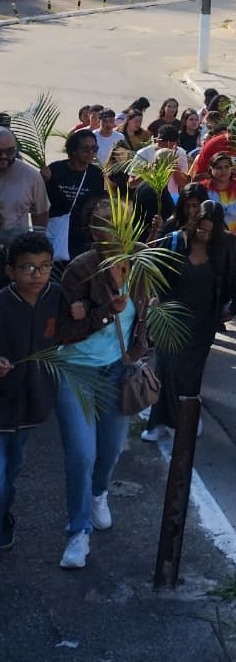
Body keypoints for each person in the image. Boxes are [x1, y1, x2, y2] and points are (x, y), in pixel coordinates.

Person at [56, 198, 151, 569]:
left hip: (117, 370)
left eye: (118, 222)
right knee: (82, 454)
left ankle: (98, 494)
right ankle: (78, 532)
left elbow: (146, 312)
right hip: (76, 371)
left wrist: (139, 349)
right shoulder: (80, 269)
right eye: (101, 225)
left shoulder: (141, 261)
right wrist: (103, 313)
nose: (110, 231)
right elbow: (66, 331)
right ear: (92, 233)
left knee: (110, 451)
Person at [141, 201, 236, 442]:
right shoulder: (176, 242)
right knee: (165, 369)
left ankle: (187, 418)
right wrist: (154, 299)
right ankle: (158, 422)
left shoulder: (225, 249)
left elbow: (235, 282)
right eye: (200, 228)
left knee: (190, 374)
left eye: (209, 231)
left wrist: (231, 309)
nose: (203, 234)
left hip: (203, 323)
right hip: (170, 319)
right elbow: (154, 268)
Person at [0, 233, 74, 550]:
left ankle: (4, 515)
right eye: (27, 267)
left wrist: (106, 310)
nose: (36, 274)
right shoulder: (2, 302)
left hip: (33, 402)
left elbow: (74, 330)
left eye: (44, 266)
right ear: (10, 271)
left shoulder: (56, 296)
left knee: (13, 469)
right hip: (2, 400)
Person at [43, 129, 106, 262]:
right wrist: (42, 180)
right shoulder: (55, 170)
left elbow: (99, 204)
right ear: (73, 150)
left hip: (82, 237)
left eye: (94, 148)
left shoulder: (96, 174)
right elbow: (41, 199)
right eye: (86, 149)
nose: (91, 153)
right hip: (56, 231)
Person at [0, 127, 50, 249]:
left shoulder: (30, 176)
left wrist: (37, 246)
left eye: (10, 151)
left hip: (14, 250)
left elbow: (41, 213)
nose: (4, 156)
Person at [202, 152, 236, 244]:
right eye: (219, 168)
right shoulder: (203, 188)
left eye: (227, 167)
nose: (223, 171)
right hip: (211, 242)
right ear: (211, 169)